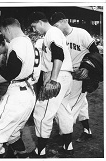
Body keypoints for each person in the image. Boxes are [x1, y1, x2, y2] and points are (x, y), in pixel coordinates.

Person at [0, 17, 36, 158]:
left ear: (7, 29)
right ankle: (24, 157)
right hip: (28, 93)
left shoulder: (17, 42)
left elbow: (12, 71)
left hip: (17, 94)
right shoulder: (27, 41)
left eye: (3, 32)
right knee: (13, 135)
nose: (4, 36)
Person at [28, 11, 73, 158]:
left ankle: (39, 151)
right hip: (65, 76)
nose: (35, 30)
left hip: (57, 76)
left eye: (34, 26)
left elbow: (58, 53)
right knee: (63, 112)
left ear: (40, 22)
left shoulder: (52, 32)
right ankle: (68, 147)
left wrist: (53, 79)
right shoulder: (54, 33)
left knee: (41, 113)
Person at [50, 12, 100, 144]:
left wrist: (87, 68)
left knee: (70, 107)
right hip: (66, 75)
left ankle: (65, 135)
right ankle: (86, 131)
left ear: (65, 20)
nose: (55, 28)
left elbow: (95, 52)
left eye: (56, 25)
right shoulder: (58, 37)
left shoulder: (81, 33)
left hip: (79, 75)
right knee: (81, 104)